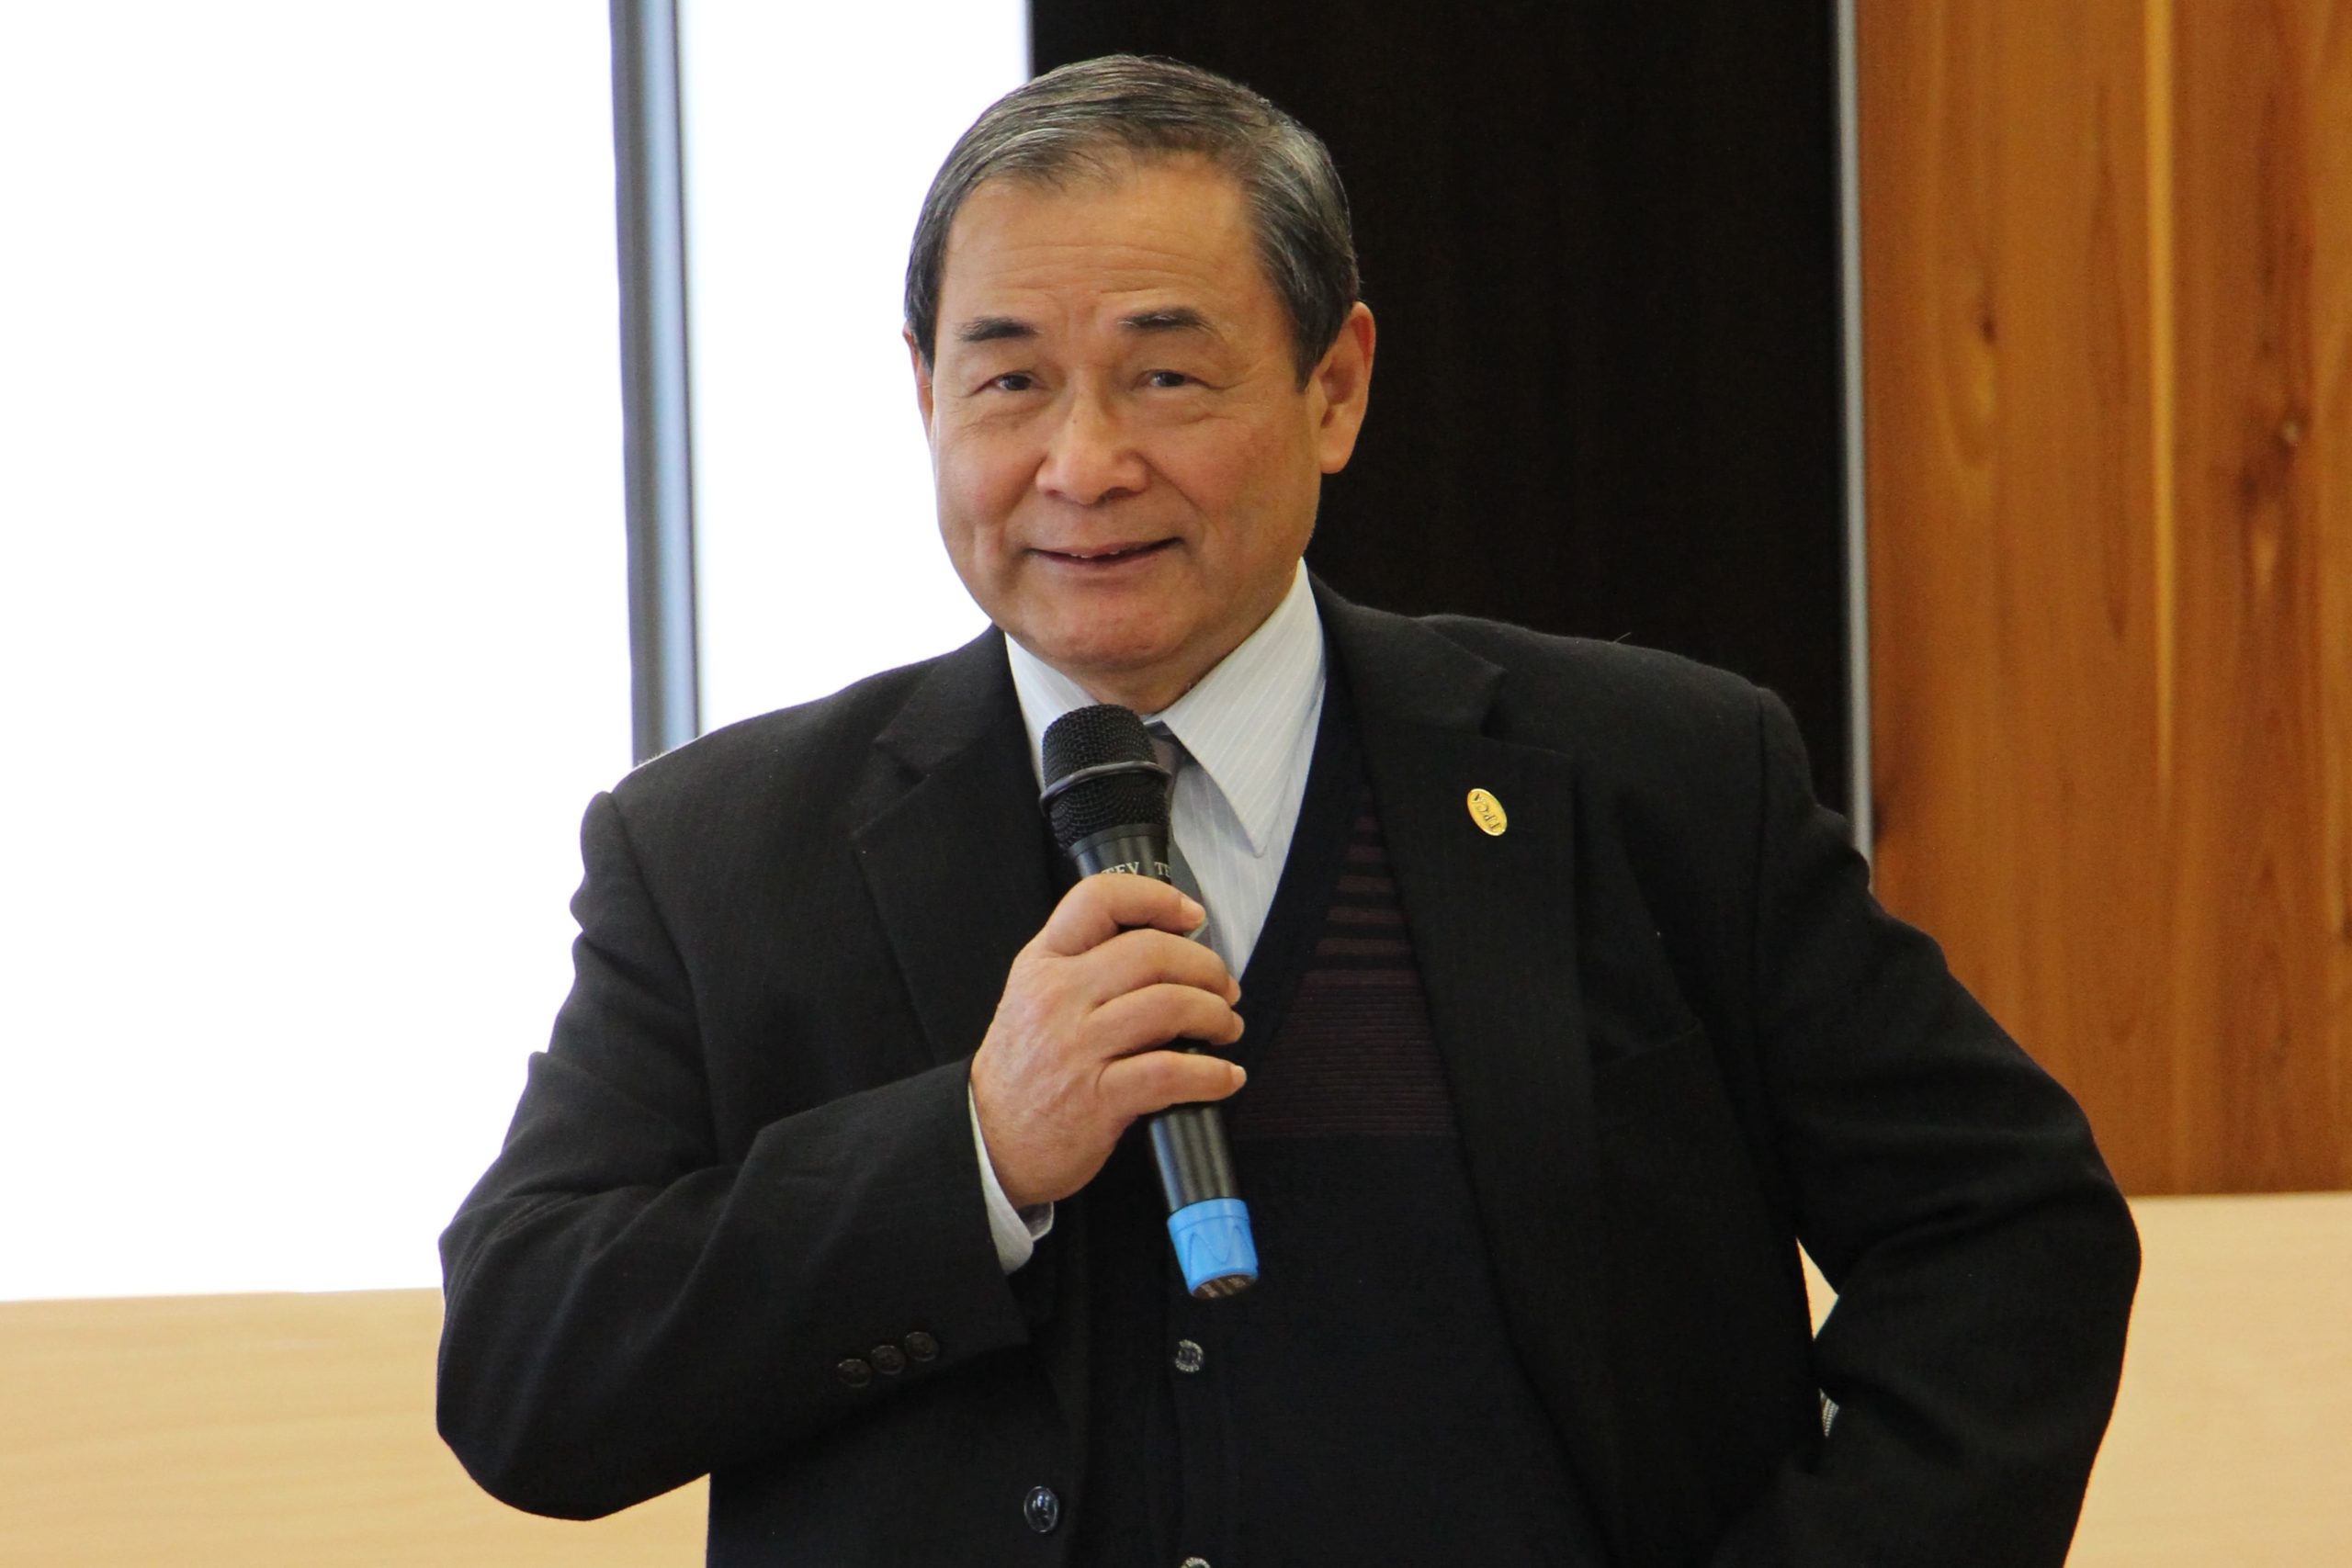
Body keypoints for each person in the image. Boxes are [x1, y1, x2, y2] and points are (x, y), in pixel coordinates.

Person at [437, 54, 2138, 1567]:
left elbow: (2009, 1233)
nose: (1082, 463)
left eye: (1167, 379)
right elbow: (525, 1373)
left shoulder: (1656, 780)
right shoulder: (722, 853)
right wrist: (972, 1154)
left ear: (1337, 389)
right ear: (924, 396)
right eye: (1009, 381)